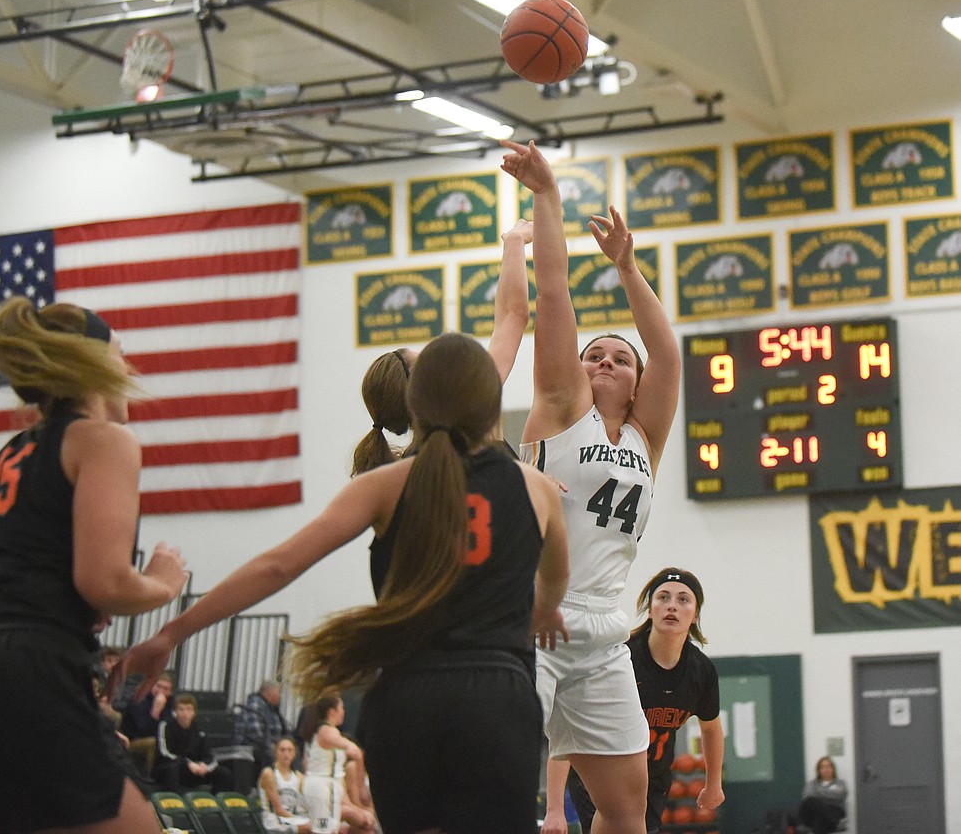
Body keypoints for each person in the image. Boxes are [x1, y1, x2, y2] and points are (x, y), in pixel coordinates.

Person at [112, 331, 570, 834]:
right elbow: (555, 581)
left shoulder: (383, 484)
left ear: (414, 406)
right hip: (497, 698)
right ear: (492, 406)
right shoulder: (536, 488)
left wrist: (171, 632)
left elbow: (278, 565)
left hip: (407, 698)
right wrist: (544, 611)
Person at [0, 297, 189, 834]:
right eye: (120, 352)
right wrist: (163, 583)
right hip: (26, 670)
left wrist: (33, 584)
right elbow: (103, 582)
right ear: (93, 364)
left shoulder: (8, 454)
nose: (128, 368)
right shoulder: (104, 440)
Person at [501, 140, 682, 834]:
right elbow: (553, 294)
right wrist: (548, 197)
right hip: (535, 619)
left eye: (619, 358)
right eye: (593, 355)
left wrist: (629, 270)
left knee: (626, 806)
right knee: (508, 790)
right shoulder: (558, 407)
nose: (605, 359)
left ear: (636, 384)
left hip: (604, 631)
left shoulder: (645, 438)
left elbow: (666, 351)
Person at [350, 218, 534, 476]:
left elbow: (511, 316)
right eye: (428, 359)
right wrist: (516, 242)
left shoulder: (402, 475)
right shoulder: (474, 415)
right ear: (421, 388)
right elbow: (512, 316)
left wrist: (514, 243)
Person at [567, 568, 724, 832]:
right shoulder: (620, 657)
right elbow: (571, 722)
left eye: (683, 599)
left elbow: (711, 729)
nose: (672, 606)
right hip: (602, 776)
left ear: (695, 615)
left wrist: (714, 784)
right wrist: (553, 808)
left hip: (653, 781)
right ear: (650, 609)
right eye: (663, 597)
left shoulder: (701, 671)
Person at [300, 695, 376, 834]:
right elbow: (355, 752)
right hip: (324, 787)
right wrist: (361, 787)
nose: (344, 711)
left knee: (363, 825)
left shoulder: (314, 732)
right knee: (325, 831)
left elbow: (305, 763)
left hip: (320, 786)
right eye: (342, 707)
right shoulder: (327, 730)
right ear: (332, 712)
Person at [153, 692, 222, 793]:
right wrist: (187, 763)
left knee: (223, 773)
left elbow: (210, 755)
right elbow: (164, 752)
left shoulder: (200, 729)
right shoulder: (165, 726)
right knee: (172, 770)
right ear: (175, 712)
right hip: (169, 766)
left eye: (189, 709)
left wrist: (204, 766)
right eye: (181, 709)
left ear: (194, 712)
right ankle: (175, 802)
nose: (185, 713)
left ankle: (219, 803)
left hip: (194, 769)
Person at [234, 678, 293, 785]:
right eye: (278, 692)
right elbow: (256, 734)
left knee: (290, 752)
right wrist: (275, 748)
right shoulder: (255, 704)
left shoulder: (272, 708)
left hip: (272, 746)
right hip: (254, 747)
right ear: (269, 692)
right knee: (278, 754)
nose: (280, 696)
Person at [259, 736, 312, 833]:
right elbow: (278, 810)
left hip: (291, 818)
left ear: (295, 753)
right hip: (273, 819)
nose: (286, 754)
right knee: (310, 828)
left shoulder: (298, 776)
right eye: (282, 750)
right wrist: (301, 821)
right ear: (275, 752)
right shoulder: (269, 773)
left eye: (290, 750)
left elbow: (303, 805)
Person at [796, 756, 848, 834]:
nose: (825, 769)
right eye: (822, 767)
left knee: (821, 821)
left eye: (828, 766)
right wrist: (828, 794)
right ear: (818, 770)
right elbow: (808, 796)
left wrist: (818, 793)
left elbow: (840, 794)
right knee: (810, 801)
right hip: (814, 813)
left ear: (833, 769)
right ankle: (835, 822)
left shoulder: (840, 783)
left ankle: (833, 820)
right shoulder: (812, 783)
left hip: (835, 810)